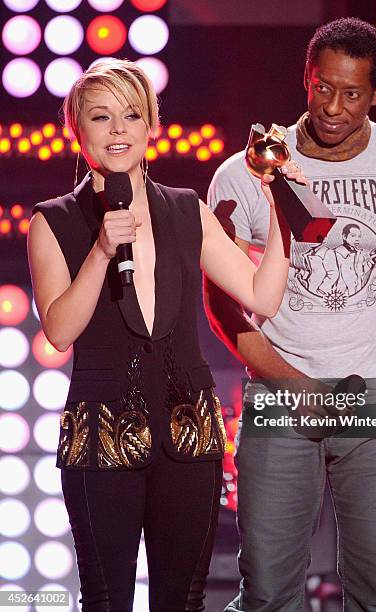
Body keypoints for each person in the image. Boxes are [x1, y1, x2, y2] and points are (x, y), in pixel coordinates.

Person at [205, 17, 376, 612]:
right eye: (322, 87)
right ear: (306, 79)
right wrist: (290, 382)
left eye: (351, 93)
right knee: (268, 597)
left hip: (375, 394)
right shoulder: (246, 170)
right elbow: (219, 297)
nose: (333, 106)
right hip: (280, 396)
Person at [27, 58, 304, 611]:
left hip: (189, 433)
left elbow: (263, 296)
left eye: (131, 116)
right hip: (101, 434)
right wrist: (103, 251)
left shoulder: (185, 210)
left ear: (151, 124)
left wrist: (280, 208)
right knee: (107, 600)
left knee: (183, 600)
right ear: (77, 129)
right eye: (101, 118)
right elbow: (59, 330)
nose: (118, 131)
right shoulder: (53, 220)